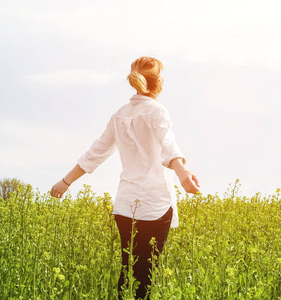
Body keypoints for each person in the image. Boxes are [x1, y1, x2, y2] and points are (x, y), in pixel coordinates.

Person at [50, 56, 200, 299]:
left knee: (127, 273)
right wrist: (183, 174)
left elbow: (95, 153)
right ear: (159, 81)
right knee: (145, 277)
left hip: (126, 205)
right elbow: (168, 145)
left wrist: (65, 182)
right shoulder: (156, 111)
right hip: (154, 205)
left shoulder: (119, 115)